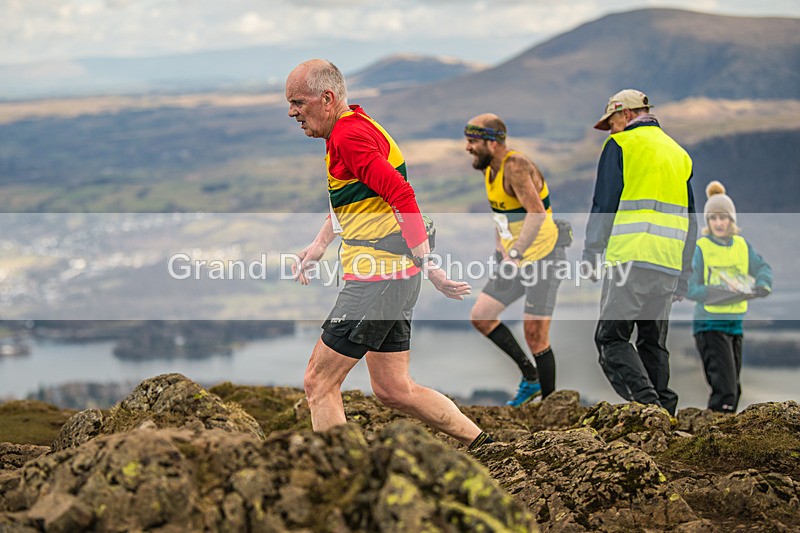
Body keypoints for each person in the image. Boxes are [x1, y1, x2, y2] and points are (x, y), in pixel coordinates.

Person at [285, 59, 492, 450]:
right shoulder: (353, 127)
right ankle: (485, 443)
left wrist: (431, 266)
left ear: (327, 99)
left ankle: (341, 474)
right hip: (393, 277)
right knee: (395, 389)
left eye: (298, 102)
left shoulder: (349, 137)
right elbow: (354, 200)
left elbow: (401, 196)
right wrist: (318, 246)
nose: (292, 112)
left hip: (376, 280)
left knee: (318, 382)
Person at [582, 89, 697, 416]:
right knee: (652, 342)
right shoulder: (679, 154)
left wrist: (592, 252)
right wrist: (683, 275)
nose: (611, 130)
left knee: (611, 339)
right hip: (668, 263)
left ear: (627, 114)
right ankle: (667, 414)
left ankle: (649, 409)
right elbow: (692, 221)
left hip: (630, 259)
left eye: (612, 122)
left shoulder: (620, 146)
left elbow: (604, 204)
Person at [465, 114, 568, 406]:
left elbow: (536, 213)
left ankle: (551, 408)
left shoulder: (516, 166)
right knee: (482, 316)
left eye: (472, 141)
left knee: (536, 336)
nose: (467, 148)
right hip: (516, 259)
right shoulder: (490, 170)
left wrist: (514, 254)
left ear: (492, 142)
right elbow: (501, 216)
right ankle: (530, 376)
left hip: (545, 257)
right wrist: (500, 251)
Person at [686, 181, 772, 413]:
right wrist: (717, 294)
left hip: (735, 326)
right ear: (708, 222)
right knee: (726, 391)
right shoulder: (701, 248)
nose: (719, 223)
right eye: (713, 218)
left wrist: (762, 285)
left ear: (732, 220)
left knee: (734, 388)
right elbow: (689, 287)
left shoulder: (742, 246)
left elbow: (762, 267)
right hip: (710, 326)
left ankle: (719, 436)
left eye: (723, 218)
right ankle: (714, 438)